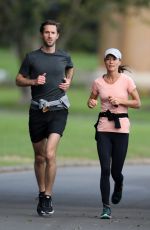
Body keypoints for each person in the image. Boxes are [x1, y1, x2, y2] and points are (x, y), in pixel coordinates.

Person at [16, 20, 74, 216]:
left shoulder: (64, 56)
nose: (50, 36)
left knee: (50, 154)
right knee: (39, 157)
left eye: (53, 33)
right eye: (47, 32)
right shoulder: (31, 57)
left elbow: (70, 69)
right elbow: (18, 79)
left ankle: (48, 196)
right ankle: (41, 192)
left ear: (58, 35)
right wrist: (34, 81)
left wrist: (68, 82)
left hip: (58, 110)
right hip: (37, 112)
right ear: (42, 34)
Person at [87, 48, 141, 219]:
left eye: (114, 59)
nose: (110, 62)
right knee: (105, 168)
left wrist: (121, 101)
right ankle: (105, 207)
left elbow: (137, 103)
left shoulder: (127, 81)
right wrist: (91, 102)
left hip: (121, 129)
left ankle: (119, 182)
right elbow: (92, 98)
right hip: (103, 129)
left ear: (119, 62)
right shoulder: (98, 82)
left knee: (115, 171)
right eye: (108, 59)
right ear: (105, 61)